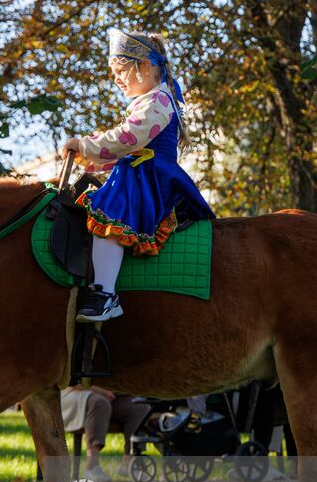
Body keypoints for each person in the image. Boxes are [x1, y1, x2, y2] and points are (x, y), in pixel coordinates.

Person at [64, 29, 215, 322]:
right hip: (139, 170)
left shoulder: (158, 100)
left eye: (121, 70)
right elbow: (127, 148)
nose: (116, 79)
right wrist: (91, 161)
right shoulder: (152, 101)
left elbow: (129, 138)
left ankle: (106, 294)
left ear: (144, 66)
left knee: (108, 213)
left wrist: (86, 145)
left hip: (149, 177)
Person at [61, 384, 150, 481]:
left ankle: (129, 462)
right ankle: (92, 466)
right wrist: (101, 391)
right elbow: (73, 384)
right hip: (72, 393)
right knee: (100, 403)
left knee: (140, 407)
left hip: (108, 392)